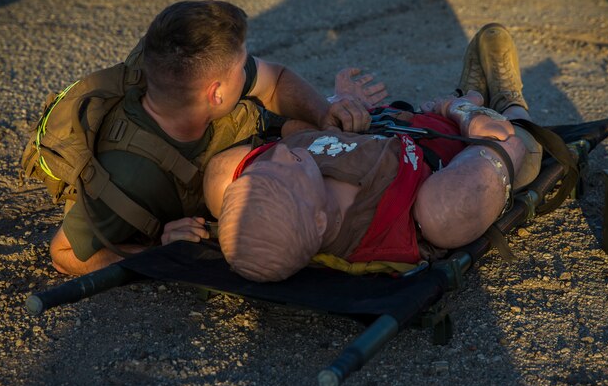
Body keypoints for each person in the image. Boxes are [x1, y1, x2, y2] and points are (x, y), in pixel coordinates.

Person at [176, 24, 544, 282]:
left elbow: (286, 140)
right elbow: (501, 142)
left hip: (392, 122)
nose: (279, 155)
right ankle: (507, 99)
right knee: (521, 143)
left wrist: (335, 106)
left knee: (221, 173)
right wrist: (463, 112)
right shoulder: (435, 212)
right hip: (460, 136)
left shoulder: (260, 183)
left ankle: (472, 92)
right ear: (320, 222)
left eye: (264, 163)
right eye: (288, 165)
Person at [49, 0, 386, 276]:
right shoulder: (129, 175)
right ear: (216, 93)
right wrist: (154, 251)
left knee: (298, 125)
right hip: (145, 176)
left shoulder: (187, 83)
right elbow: (63, 253)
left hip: (207, 146)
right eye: (241, 66)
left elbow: (275, 78)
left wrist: (322, 115)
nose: (248, 69)